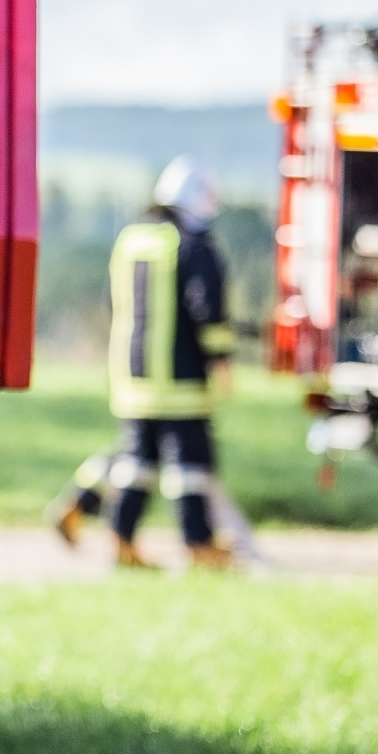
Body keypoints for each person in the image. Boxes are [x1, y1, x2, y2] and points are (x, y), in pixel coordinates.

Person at [52, 155, 235, 569]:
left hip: (132, 376)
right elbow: (208, 310)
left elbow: (111, 302)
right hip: (181, 378)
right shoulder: (193, 244)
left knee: (137, 462)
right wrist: (221, 359)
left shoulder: (131, 241)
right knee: (190, 464)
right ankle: (199, 545)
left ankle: (119, 538)